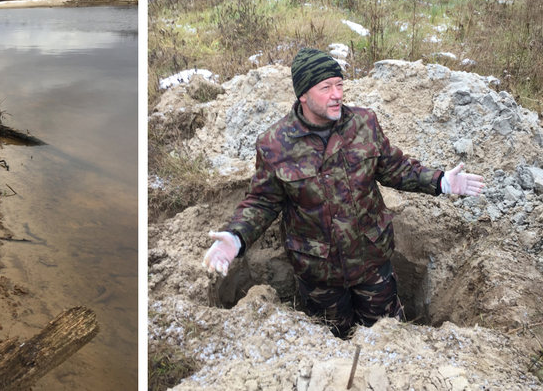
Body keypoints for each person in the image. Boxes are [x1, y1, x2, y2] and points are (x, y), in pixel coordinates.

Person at [202, 48, 484, 338]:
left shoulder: (364, 124)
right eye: (326, 88)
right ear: (303, 95)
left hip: (372, 261)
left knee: (389, 337)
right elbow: (262, 201)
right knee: (329, 339)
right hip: (318, 273)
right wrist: (237, 236)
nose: (337, 94)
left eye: (339, 84)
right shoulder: (275, 145)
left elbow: (395, 168)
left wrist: (440, 181)